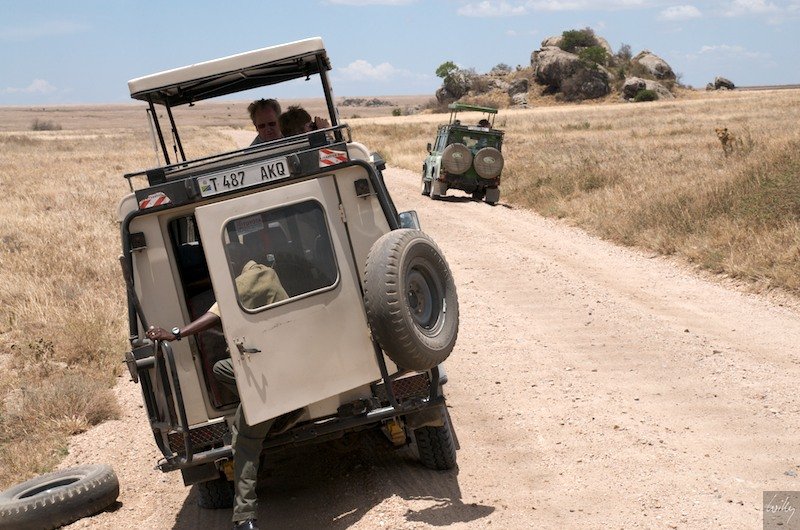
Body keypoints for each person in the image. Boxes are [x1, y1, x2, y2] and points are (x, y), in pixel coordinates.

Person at [146, 244, 292, 530]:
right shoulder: (267, 274)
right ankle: (272, 411)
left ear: (233, 261)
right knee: (220, 368)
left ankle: (244, 517)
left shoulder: (254, 276)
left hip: (276, 373)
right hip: (282, 362)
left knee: (244, 440)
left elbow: (217, 313)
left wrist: (175, 334)